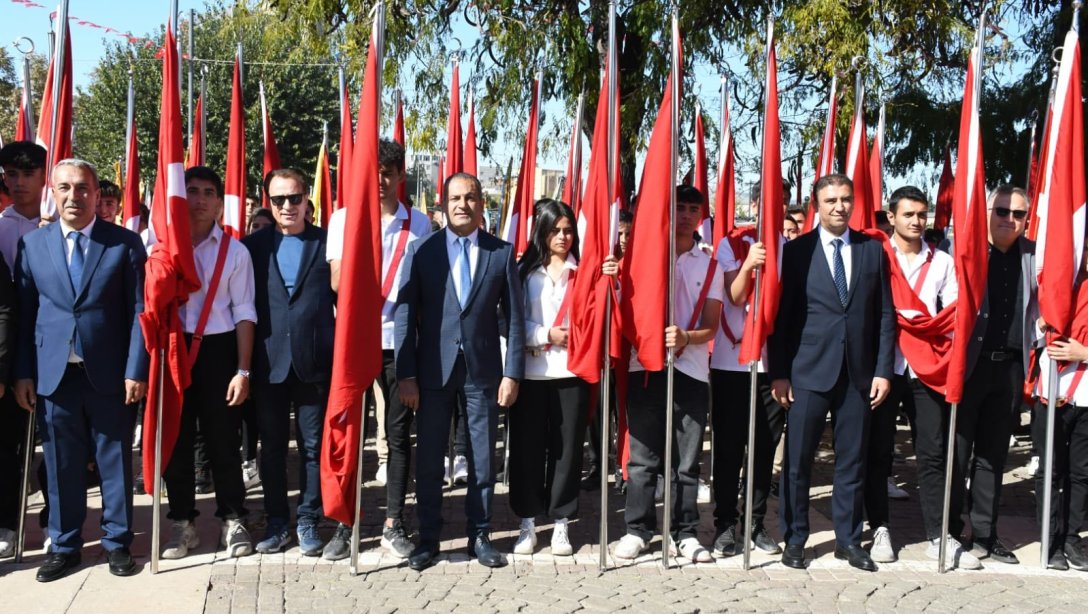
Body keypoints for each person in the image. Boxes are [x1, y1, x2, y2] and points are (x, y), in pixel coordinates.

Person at [13, 158, 148, 581]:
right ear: (53, 192)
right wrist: (23, 373)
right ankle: (66, 544)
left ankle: (117, 542)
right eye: (65, 188)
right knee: (61, 464)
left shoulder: (124, 244)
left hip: (109, 373)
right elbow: (25, 313)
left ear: (95, 193)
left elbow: (139, 311)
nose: (75, 196)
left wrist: (136, 369)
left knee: (114, 461)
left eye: (83, 188)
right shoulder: (33, 245)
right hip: (54, 375)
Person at [395, 172, 524, 570]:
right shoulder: (421, 251)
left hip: (484, 373)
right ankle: (428, 538)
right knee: (431, 460)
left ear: (481, 204)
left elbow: (516, 320)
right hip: (431, 374)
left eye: (470, 198)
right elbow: (405, 315)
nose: (462, 205)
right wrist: (406, 374)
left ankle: (480, 535)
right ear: (443, 204)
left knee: (483, 461)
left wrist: (512, 373)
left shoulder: (501, 254)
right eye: (455, 198)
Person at [769, 173, 896, 572]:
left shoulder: (872, 251)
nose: (839, 207)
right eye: (830, 201)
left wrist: (883, 370)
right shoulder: (796, 252)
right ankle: (795, 538)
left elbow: (885, 315)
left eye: (845, 199)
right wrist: (779, 373)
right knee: (798, 462)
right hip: (807, 373)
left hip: (859, 376)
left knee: (852, 461)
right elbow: (781, 318)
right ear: (816, 205)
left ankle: (848, 540)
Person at [324, 139, 430, 560]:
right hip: (354, 339)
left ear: (401, 176)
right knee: (348, 435)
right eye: (374, 172)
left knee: (399, 436)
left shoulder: (419, 223)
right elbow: (336, 282)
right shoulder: (344, 220)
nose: (381, 180)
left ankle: (393, 522)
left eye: (389, 172)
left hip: (399, 344)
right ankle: (342, 523)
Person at [867, 186, 977, 568]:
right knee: (878, 452)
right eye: (908, 214)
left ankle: (939, 534)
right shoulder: (877, 256)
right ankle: (879, 527)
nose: (916, 221)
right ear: (891, 217)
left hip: (927, 368)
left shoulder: (943, 262)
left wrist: (925, 331)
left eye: (921, 215)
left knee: (932, 453)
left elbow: (953, 316)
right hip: (884, 367)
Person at [613, 185, 723, 562]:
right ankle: (637, 530)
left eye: (695, 208)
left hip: (690, 371)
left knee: (686, 460)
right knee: (642, 457)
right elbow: (623, 309)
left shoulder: (711, 267)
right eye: (681, 207)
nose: (688, 214)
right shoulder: (642, 259)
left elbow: (711, 325)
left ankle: (685, 532)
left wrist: (686, 336)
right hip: (645, 365)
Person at [159, 166, 257, 561]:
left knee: (223, 444)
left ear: (219, 202)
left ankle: (233, 519)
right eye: (192, 191)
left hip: (218, 352)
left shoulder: (235, 251)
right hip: (172, 351)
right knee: (177, 445)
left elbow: (244, 312)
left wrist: (243, 370)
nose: (199, 199)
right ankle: (182, 524)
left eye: (208, 192)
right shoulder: (163, 245)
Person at [243, 169, 336, 557]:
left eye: (294, 198)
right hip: (269, 363)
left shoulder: (328, 242)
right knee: (274, 448)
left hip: (314, 362)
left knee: (314, 448)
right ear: (269, 201)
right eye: (278, 200)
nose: (286, 206)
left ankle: (309, 518)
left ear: (306, 200)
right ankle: (279, 520)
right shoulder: (250, 247)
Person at [957, 185, 1037, 566]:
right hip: (969, 367)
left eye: (1018, 214)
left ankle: (986, 533)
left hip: (1009, 368)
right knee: (957, 452)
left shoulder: (1035, 257)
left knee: (992, 455)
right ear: (989, 210)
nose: (1009, 219)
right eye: (1002, 210)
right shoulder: (965, 251)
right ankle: (953, 529)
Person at [709, 190, 786, 558]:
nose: (775, 206)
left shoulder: (793, 247)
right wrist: (749, 265)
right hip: (732, 362)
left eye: (781, 199)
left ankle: (755, 523)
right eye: (769, 200)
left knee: (763, 449)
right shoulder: (732, 243)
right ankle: (725, 523)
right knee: (728, 449)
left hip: (772, 367)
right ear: (755, 205)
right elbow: (735, 296)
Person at [509, 199, 588, 557]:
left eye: (568, 230)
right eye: (554, 230)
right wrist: (545, 335)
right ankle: (527, 521)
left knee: (566, 451)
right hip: (530, 374)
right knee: (527, 450)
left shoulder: (585, 272)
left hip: (572, 373)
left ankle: (561, 524)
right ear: (541, 231)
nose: (562, 236)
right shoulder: (523, 272)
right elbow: (508, 323)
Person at [0, 141, 45, 558]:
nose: (18, 183)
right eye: (11, 175)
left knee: (58, 442)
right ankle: (8, 522)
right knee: (8, 445)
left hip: (53, 347)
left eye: (27, 174)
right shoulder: (1, 226)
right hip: (9, 352)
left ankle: (57, 519)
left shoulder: (59, 222)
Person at [1035, 250, 1088, 571]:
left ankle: (1072, 536)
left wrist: (1084, 352)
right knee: (1051, 470)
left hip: (1086, 394)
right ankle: (1051, 537)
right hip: (1052, 389)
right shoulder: (1057, 285)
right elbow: (1031, 328)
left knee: (1082, 473)